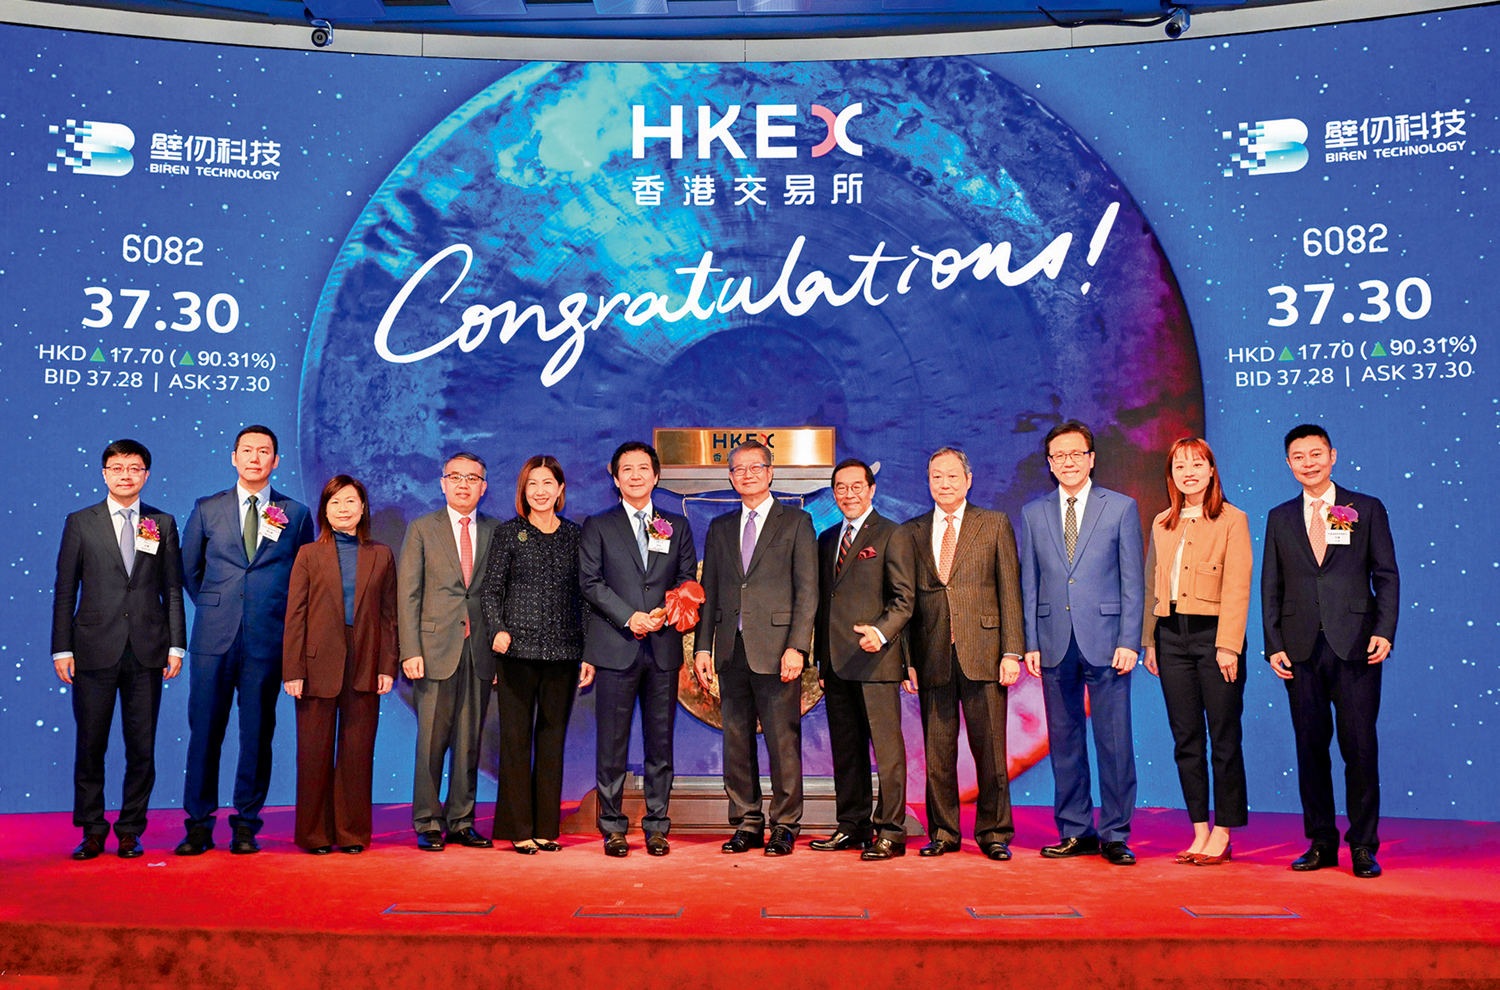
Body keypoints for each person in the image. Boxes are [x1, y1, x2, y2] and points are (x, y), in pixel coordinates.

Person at [1262, 424, 1398, 879]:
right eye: (1299, 456)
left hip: (1356, 644)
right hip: (1299, 648)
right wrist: (1273, 644)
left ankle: (1363, 845)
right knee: (1310, 747)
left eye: (1316, 453)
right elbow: (1271, 585)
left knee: (1359, 747)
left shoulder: (1362, 508)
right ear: (1288, 464)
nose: (1309, 463)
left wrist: (1385, 630)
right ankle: (1321, 841)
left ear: (1333, 455)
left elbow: (1386, 574)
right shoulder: (1280, 517)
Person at [178, 425, 314, 856]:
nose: (255, 458)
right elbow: (189, 570)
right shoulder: (207, 508)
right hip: (214, 639)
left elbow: (303, 577)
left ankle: (246, 824)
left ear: (276, 461)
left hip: (267, 639)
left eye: (264, 451)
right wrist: (218, 605)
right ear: (233, 457)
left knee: (257, 734)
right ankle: (199, 824)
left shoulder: (296, 513)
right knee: (205, 733)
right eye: (248, 450)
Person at [51, 439, 185, 860]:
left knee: (141, 746)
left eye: (134, 468)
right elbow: (65, 589)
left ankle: (130, 829)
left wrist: (177, 645)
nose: (126, 475)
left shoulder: (162, 522)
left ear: (147, 474)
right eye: (117, 467)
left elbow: (172, 589)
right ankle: (92, 829)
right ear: (104, 473)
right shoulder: (80, 522)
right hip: (92, 649)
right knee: (91, 744)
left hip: (148, 650)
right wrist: (61, 649)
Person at [1020, 420, 1145, 866]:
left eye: (1076, 454)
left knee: (1114, 742)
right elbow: (1029, 583)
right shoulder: (1033, 513)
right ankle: (1075, 830)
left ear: (1091, 459)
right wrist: (1031, 641)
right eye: (1059, 456)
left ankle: (1115, 833)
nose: (1068, 462)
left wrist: (1130, 639)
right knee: (1065, 741)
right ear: (1050, 464)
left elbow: (1133, 581)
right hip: (1054, 642)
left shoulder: (1121, 508)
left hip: (1108, 642)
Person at [693, 440, 817, 857]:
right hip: (731, 650)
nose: (747, 475)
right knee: (736, 742)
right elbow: (709, 591)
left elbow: (808, 591)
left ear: (770, 472)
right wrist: (703, 647)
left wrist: (797, 646)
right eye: (739, 469)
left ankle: (785, 825)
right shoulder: (720, 527)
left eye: (755, 467)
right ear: (731, 477)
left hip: (779, 651)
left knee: (783, 742)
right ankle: (746, 822)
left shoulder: (796, 522)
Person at [900, 448, 1025, 860]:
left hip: (984, 653)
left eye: (952, 476)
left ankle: (994, 832)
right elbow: (905, 603)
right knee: (938, 754)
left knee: (990, 751)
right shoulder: (912, 531)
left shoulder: (994, 524)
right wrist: (907, 661)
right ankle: (944, 832)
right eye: (936, 476)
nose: (945, 483)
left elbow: (1010, 591)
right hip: (932, 654)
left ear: (968, 480)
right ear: (928, 482)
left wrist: (1011, 652)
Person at [579, 442, 697, 858]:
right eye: (626, 469)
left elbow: (686, 581)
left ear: (656, 475)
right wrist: (630, 617)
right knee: (612, 744)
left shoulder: (675, 525)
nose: (635, 475)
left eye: (643, 468)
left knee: (660, 744)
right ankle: (612, 826)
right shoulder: (598, 525)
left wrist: (662, 613)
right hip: (616, 647)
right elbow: (590, 582)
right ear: (615, 478)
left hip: (662, 649)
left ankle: (657, 826)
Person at [1141, 438, 1252, 865]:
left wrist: (1229, 645)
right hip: (1171, 637)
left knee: (1223, 737)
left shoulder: (1232, 519)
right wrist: (1150, 642)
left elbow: (1238, 585)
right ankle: (1200, 830)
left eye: (1196, 464)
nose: (1188, 473)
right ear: (1170, 475)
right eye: (1179, 466)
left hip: (1214, 638)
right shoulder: (1162, 521)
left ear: (1211, 470)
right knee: (1186, 738)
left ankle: (1224, 832)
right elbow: (1152, 584)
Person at [282, 475, 398, 855]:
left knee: (357, 753)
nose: (343, 509)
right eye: (335, 502)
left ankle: (351, 833)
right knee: (313, 753)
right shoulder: (308, 554)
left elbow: (389, 617)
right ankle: (314, 834)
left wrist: (387, 666)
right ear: (324, 511)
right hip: (317, 664)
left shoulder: (381, 554)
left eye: (350, 501)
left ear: (363, 508)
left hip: (365, 661)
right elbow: (295, 616)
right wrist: (293, 670)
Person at [810, 458, 915, 861]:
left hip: (877, 661)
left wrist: (881, 632)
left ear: (872, 489)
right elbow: (824, 604)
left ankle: (891, 831)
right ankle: (852, 827)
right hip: (837, 665)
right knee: (847, 751)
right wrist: (822, 661)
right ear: (833, 493)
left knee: (887, 753)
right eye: (841, 487)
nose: (848, 494)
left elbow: (904, 599)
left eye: (857, 486)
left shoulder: (892, 533)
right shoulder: (826, 539)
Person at [480, 455, 585, 855]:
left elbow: (585, 598)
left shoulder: (575, 536)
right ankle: (519, 828)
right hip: (516, 651)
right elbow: (491, 590)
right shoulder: (509, 533)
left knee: (552, 740)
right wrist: (498, 629)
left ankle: (545, 828)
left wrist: (588, 652)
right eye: (532, 484)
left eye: (547, 484)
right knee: (516, 739)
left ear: (560, 490)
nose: (540, 491)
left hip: (564, 652)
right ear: (523, 491)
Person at [399, 452, 498, 852]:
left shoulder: (496, 530)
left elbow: (499, 594)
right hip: (434, 649)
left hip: (479, 650)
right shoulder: (423, 528)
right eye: (455, 477)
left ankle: (461, 820)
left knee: (469, 741)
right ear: (442, 484)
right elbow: (408, 594)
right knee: (431, 742)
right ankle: (427, 821)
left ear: (483, 487)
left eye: (472, 478)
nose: (463, 484)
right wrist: (410, 649)